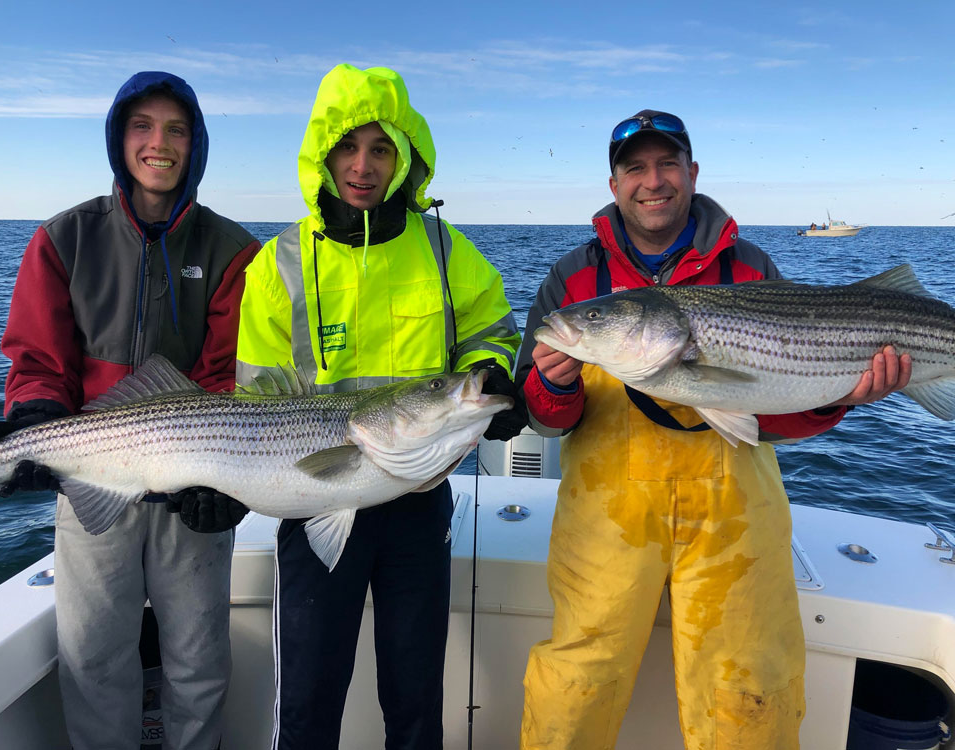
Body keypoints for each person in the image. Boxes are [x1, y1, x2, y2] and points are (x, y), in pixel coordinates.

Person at [516, 109, 911, 750]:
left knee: (748, 693)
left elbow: (775, 411)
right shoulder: (573, 278)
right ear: (613, 183)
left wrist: (841, 396)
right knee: (575, 686)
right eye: (635, 168)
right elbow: (540, 418)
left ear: (693, 173)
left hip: (735, 521)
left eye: (667, 163)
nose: (653, 181)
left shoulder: (750, 265)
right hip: (605, 525)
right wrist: (557, 382)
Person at [235, 63, 523, 749]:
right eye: (348, 147)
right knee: (306, 701)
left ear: (404, 158)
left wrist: (491, 371)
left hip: (418, 500)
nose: (363, 166)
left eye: (381, 148)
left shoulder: (444, 249)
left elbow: (494, 329)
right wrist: (226, 481)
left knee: (417, 700)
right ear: (323, 154)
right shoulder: (277, 264)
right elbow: (256, 399)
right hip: (314, 496)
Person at [0, 71, 260, 749]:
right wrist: (37, 416)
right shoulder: (64, 238)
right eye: (142, 126)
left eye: (176, 129)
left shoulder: (234, 250)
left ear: (196, 145)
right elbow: (39, 358)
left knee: (198, 661)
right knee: (95, 659)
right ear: (118, 138)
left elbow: (230, 375)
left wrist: (222, 480)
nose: (158, 144)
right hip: (93, 482)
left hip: (193, 489)